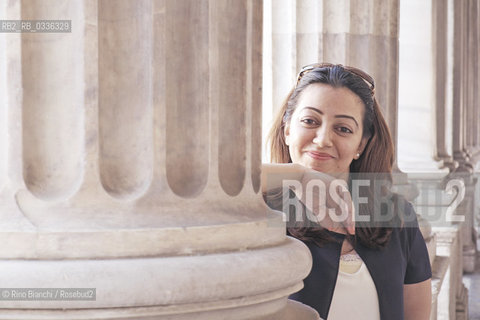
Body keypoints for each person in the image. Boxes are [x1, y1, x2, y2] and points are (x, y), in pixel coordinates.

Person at [262, 63, 432, 320]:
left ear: (360, 144)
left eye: (343, 128)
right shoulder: (260, 211)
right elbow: (228, 181)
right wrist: (298, 174)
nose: (322, 139)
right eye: (310, 121)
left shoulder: (397, 216)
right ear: (287, 130)